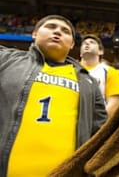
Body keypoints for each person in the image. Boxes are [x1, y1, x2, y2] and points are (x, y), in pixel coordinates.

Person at [0, 15, 107, 177]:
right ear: (34, 33)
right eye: (50, 27)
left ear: (71, 44)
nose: (57, 31)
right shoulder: (7, 59)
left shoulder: (89, 81)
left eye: (65, 31)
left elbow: (100, 132)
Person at [80, 34, 119, 115]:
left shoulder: (109, 71)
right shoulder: (70, 69)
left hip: (97, 123)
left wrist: (99, 123)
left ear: (100, 51)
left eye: (92, 42)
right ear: (80, 53)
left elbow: (113, 104)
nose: (87, 44)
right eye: (84, 43)